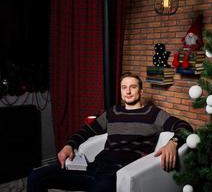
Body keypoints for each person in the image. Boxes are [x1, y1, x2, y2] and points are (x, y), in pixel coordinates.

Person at [27, 72, 193, 192]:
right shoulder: (112, 112)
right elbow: (87, 130)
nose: (128, 91)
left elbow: (184, 127)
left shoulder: (153, 113)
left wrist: (173, 142)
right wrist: (70, 145)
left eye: (133, 87)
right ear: (120, 91)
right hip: (95, 166)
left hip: (119, 171)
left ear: (140, 91)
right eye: (124, 87)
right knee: (36, 177)